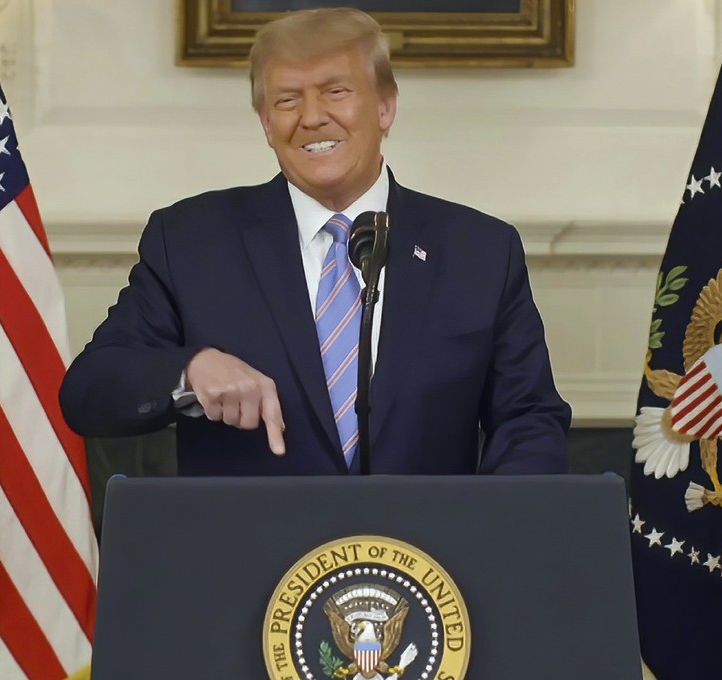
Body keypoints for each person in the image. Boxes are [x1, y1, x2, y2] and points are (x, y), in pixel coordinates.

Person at [59, 7, 571, 475]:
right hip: (251, 565)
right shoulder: (192, 241)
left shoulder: (480, 251)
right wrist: (188, 370)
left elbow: (529, 418)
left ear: (386, 107)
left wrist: (494, 538)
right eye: (287, 99)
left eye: (336, 91)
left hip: (425, 565)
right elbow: (88, 391)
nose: (311, 116)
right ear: (266, 122)